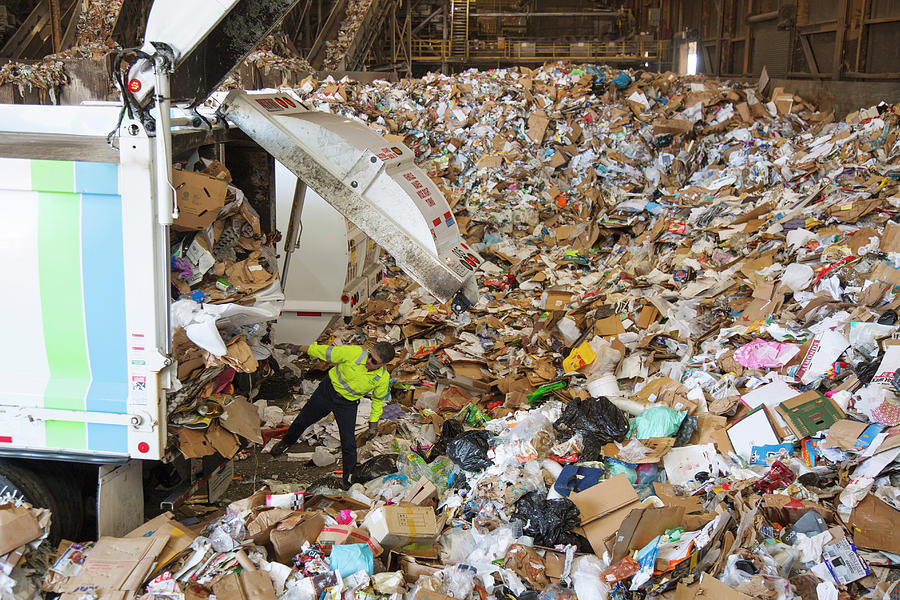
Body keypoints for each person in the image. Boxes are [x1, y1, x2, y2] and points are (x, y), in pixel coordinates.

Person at [270, 340, 396, 485]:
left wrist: (373, 424)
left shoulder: (382, 378)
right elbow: (325, 352)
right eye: (369, 356)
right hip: (327, 392)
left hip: (347, 404)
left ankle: (348, 480)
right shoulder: (354, 353)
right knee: (303, 419)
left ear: (383, 364)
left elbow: (378, 401)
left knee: (348, 442)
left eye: (374, 361)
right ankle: (286, 442)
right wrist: (297, 347)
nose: (368, 361)